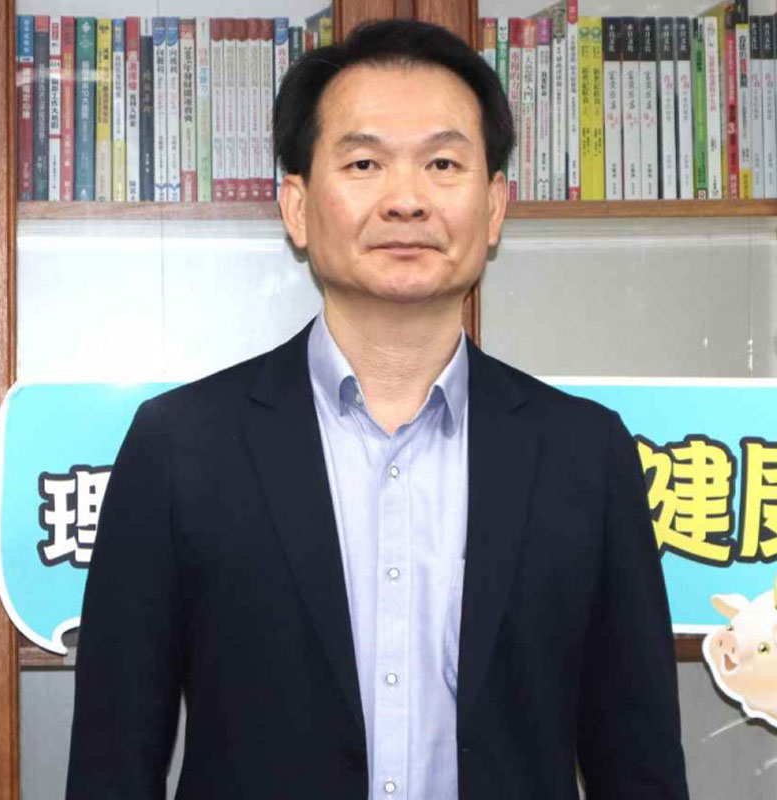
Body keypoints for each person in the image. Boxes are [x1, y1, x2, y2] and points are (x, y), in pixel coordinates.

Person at [66, 18, 689, 800]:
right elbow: (112, 768)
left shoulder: (585, 455)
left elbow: (640, 768)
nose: (406, 201)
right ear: (296, 206)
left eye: (443, 164)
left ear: (495, 205)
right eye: (364, 163)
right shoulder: (180, 448)